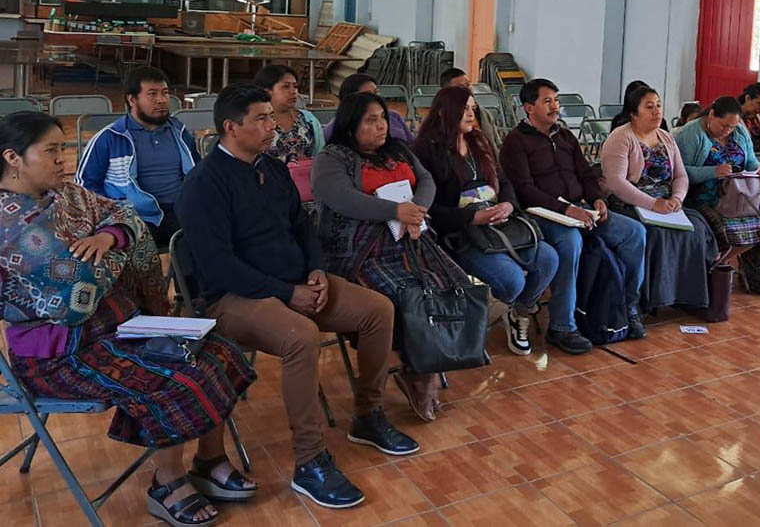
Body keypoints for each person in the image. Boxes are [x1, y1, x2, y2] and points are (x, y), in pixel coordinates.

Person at [1, 111, 256, 527]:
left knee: (216, 351)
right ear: (13, 158)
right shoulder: (9, 225)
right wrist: (122, 245)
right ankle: (167, 482)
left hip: (114, 328)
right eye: (51, 151)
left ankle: (209, 461)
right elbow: (78, 292)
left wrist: (108, 237)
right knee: (174, 375)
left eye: (63, 148)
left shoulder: (66, 194)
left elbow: (126, 215)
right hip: (60, 355)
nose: (63, 159)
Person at [177, 84, 418, 511]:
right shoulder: (203, 184)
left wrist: (316, 270)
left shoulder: (271, 168)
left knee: (378, 309)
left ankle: (368, 415)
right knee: (300, 336)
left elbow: (302, 226)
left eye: (271, 116)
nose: (273, 126)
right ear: (231, 128)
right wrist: (288, 293)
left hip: (296, 283)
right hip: (233, 298)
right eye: (262, 119)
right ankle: (310, 461)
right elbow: (218, 267)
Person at [313, 91, 477, 419]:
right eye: (371, 120)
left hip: (411, 239)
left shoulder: (398, 150)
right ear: (350, 125)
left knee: (452, 284)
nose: (381, 126)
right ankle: (420, 372)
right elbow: (343, 198)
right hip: (361, 249)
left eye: (383, 119)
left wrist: (416, 212)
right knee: (408, 296)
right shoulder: (332, 158)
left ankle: (425, 366)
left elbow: (426, 182)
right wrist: (395, 211)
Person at [500, 78, 647, 353]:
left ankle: (628, 308)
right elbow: (524, 190)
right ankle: (562, 326)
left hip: (581, 208)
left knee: (634, 232)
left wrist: (597, 199)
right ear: (529, 108)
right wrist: (566, 209)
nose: (555, 106)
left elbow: (585, 174)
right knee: (570, 242)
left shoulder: (565, 136)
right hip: (542, 214)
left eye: (556, 100)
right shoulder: (515, 142)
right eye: (547, 101)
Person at [411, 86, 560, 355]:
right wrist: (471, 216)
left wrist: (508, 204)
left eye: (473, 108)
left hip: (500, 222)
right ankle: (498, 310)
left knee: (548, 258)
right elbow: (429, 208)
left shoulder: (479, 140)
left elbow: (504, 181)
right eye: (465, 109)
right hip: (462, 232)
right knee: (511, 280)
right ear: (445, 112)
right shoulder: (426, 149)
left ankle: (518, 311)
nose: (472, 114)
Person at [601, 86, 717, 311]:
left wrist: (677, 198)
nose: (657, 111)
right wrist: (653, 204)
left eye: (658, 105)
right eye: (649, 107)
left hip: (665, 202)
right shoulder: (621, 138)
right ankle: (651, 299)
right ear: (633, 113)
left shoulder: (665, 137)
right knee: (657, 235)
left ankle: (686, 297)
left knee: (697, 229)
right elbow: (616, 183)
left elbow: (681, 175)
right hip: (632, 202)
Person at [76, 66, 199, 250]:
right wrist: (112, 212)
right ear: (132, 100)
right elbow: (85, 187)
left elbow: (199, 173)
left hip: (180, 211)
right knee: (121, 249)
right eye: (152, 94)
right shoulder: (110, 138)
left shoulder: (179, 132)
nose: (161, 100)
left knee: (209, 244)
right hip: (134, 216)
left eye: (165, 93)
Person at [676, 97, 760, 257]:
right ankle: (716, 263)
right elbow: (679, 172)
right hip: (701, 198)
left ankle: (721, 263)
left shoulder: (740, 131)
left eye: (732, 127)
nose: (727, 131)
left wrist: (759, 170)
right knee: (725, 230)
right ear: (712, 115)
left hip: (737, 197)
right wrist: (713, 172)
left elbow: (751, 160)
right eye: (724, 125)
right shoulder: (690, 134)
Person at [253, 64, 324, 164]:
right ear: (267, 91)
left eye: (295, 86)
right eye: (286, 87)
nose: (293, 91)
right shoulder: (256, 122)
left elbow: (320, 156)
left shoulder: (308, 120)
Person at [323, 73, 414, 145]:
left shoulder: (393, 116)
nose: (375, 97)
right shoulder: (335, 127)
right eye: (368, 94)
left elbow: (412, 144)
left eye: (376, 92)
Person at [439, 67, 499, 147]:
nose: (467, 89)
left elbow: (496, 143)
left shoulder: (484, 113)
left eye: (468, 84)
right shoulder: (441, 117)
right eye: (460, 87)